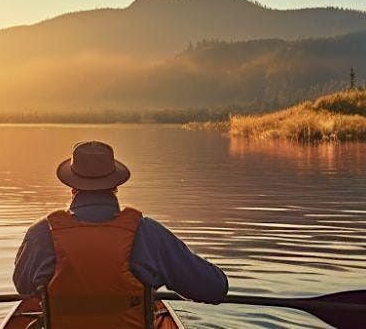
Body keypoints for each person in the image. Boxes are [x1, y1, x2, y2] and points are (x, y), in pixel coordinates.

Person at [13, 140, 228, 328]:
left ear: (72, 186)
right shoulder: (148, 233)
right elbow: (215, 288)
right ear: (115, 184)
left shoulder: (41, 233)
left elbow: (22, 286)